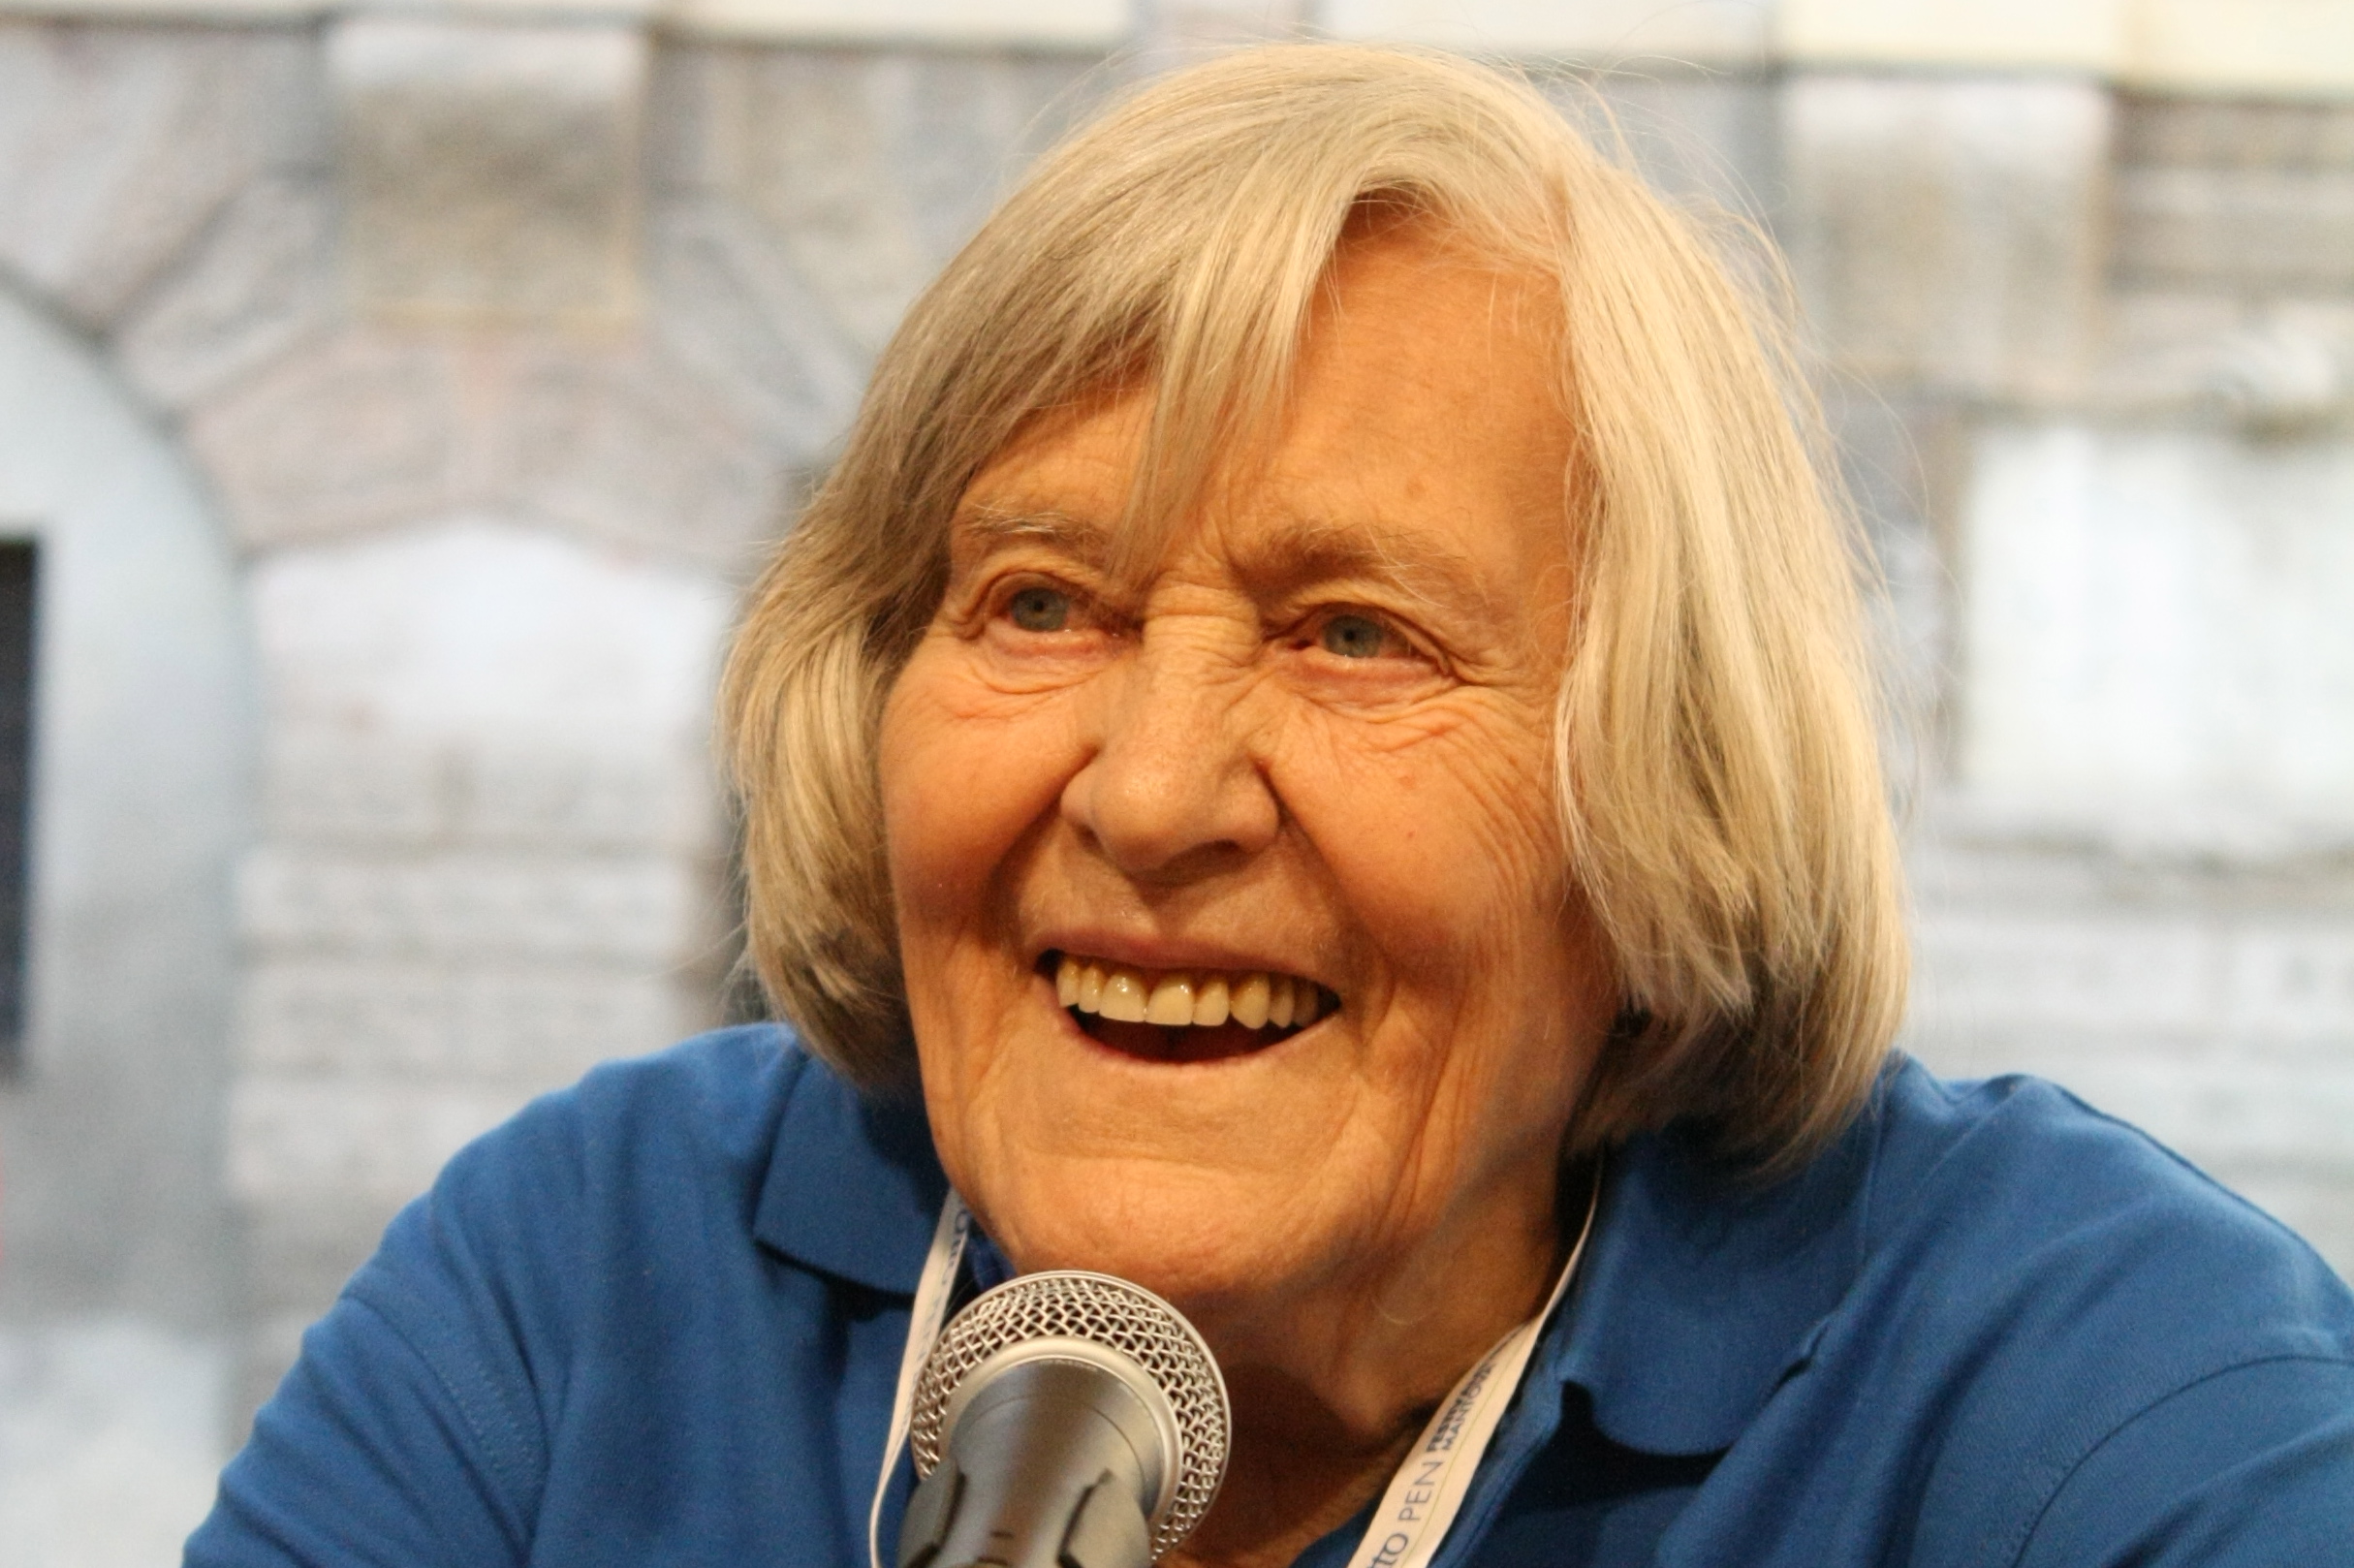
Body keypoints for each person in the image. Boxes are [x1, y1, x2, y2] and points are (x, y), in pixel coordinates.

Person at [185, 44, 2354, 1568]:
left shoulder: (2087, 1382)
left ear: (1664, 793)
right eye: (1041, 604)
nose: (1150, 792)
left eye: (1353, 635)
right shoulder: (595, 1274)